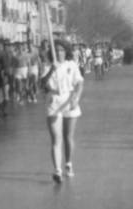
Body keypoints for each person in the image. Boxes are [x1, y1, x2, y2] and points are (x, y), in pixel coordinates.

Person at [42, 41, 84, 183]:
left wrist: (75, 98)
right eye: (57, 50)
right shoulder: (48, 65)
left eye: (62, 50)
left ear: (66, 51)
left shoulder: (71, 65)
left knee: (68, 136)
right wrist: (51, 70)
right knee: (56, 138)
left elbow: (79, 83)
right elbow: (41, 83)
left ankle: (68, 163)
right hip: (54, 100)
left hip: (69, 99)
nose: (59, 53)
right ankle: (57, 170)